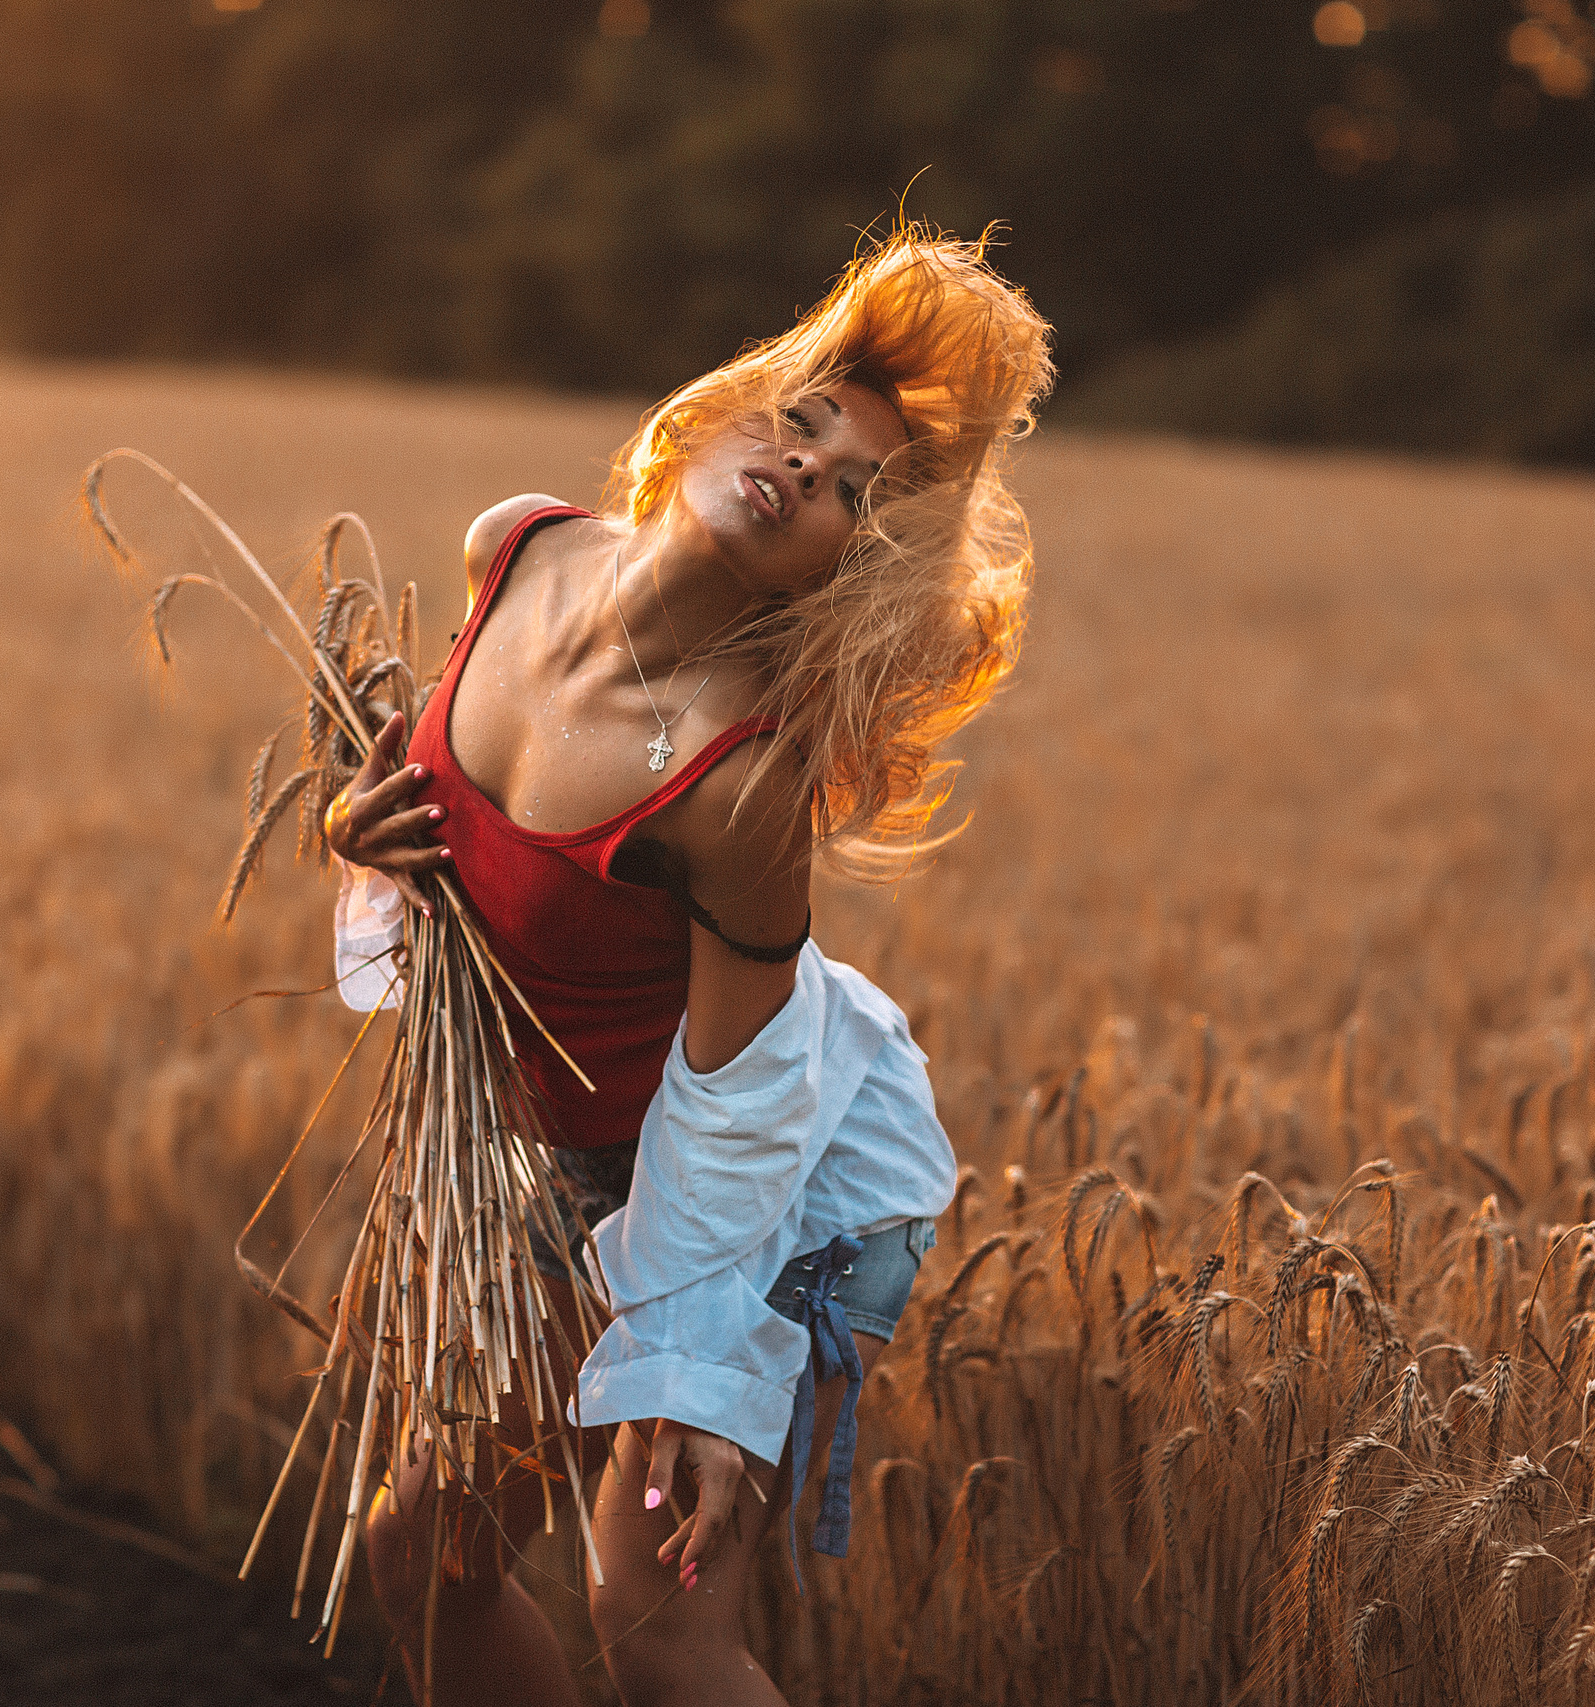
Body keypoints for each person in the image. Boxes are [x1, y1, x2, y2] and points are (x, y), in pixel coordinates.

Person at [322, 225, 1052, 1706]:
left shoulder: (736, 787)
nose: (809, 470)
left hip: (741, 1194)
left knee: (653, 1626)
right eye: (803, 420)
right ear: (724, 407)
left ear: (856, 568)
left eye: (858, 492)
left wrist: (705, 1386)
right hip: (540, 1159)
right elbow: (437, 860)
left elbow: (747, 1097)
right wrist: (358, 828)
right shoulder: (515, 546)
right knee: (428, 1564)